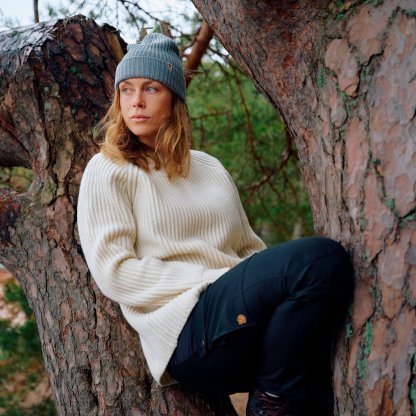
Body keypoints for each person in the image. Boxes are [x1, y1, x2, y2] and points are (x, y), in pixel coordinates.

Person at [77, 33, 354, 416]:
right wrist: (215, 279)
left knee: (319, 369)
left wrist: (245, 282)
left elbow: (249, 250)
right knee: (320, 259)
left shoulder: (209, 167)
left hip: (237, 318)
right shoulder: (109, 168)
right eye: (126, 90)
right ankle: (269, 406)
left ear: (174, 98)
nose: (136, 101)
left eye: (150, 88)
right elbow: (116, 274)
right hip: (187, 331)